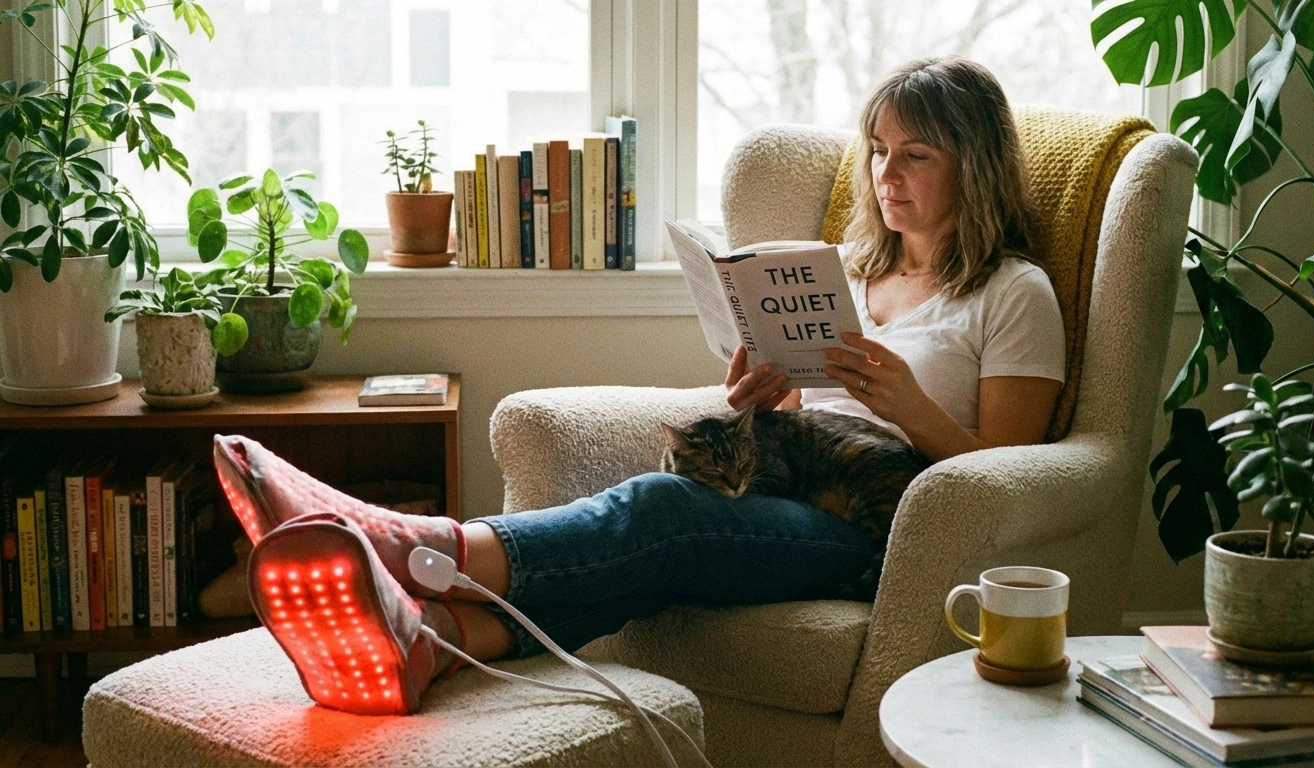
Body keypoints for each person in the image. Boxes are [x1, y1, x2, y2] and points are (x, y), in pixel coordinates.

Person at [220, 55, 1066, 716]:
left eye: (916, 155)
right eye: (878, 150)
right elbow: (806, 418)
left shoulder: (1010, 292)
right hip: (795, 483)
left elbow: (1013, 480)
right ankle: (436, 638)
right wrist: (758, 393)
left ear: (976, 166)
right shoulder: (844, 270)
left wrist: (910, 406)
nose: (887, 173)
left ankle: (405, 544)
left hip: (884, 532)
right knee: (648, 549)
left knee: (660, 515)